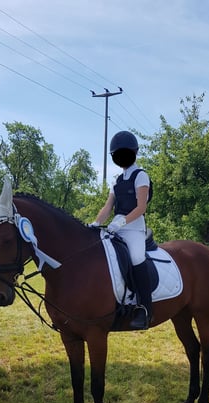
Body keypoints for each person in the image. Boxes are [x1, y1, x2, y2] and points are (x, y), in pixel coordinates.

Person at [90, 130, 153, 330]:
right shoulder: (117, 180)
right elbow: (108, 206)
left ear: (133, 153)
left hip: (134, 228)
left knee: (135, 258)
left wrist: (123, 222)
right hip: (116, 228)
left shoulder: (141, 175)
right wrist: (95, 222)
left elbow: (141, 207)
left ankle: (144, 308)